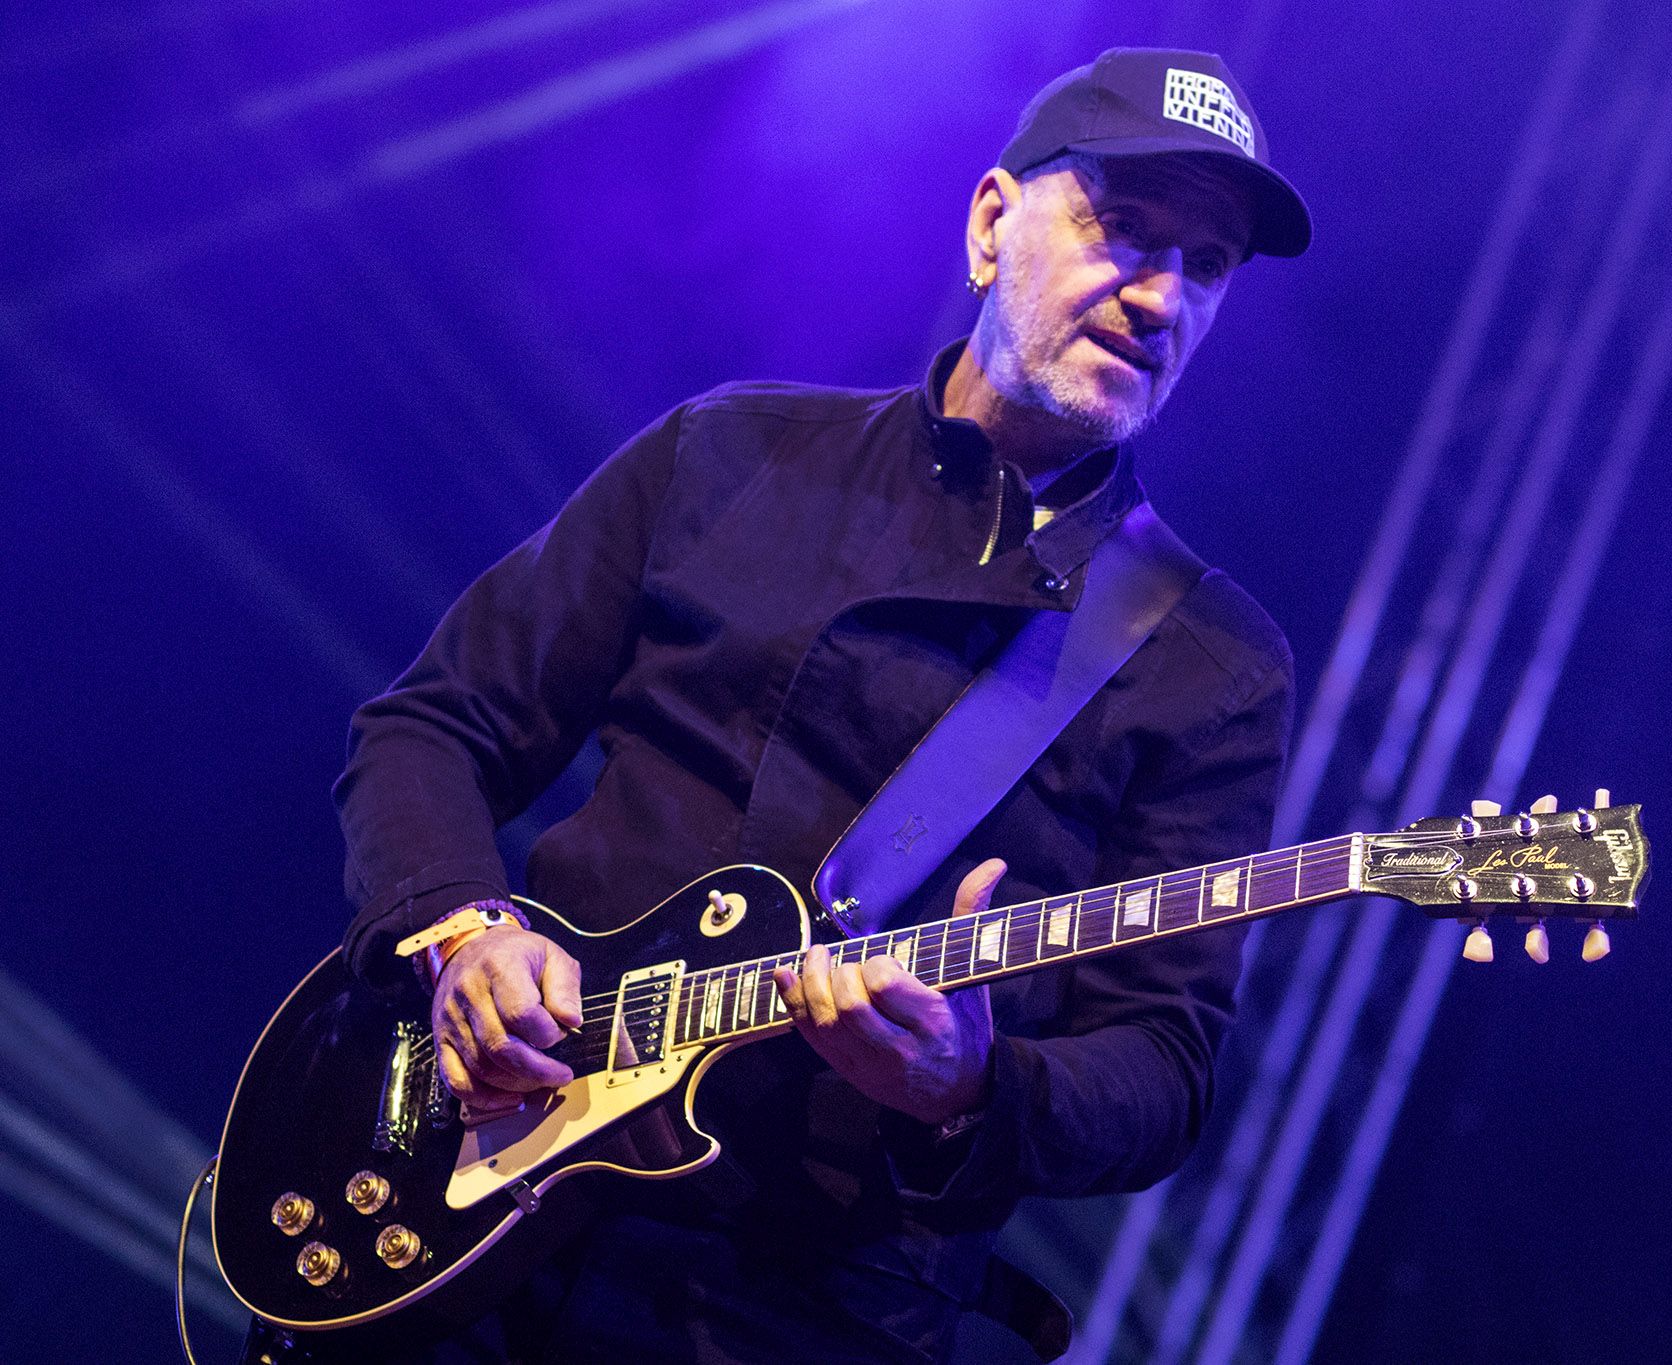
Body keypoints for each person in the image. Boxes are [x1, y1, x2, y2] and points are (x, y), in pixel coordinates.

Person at [319, 46, 1311, 1363]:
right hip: (480, 1209)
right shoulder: (731, 450)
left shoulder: (1211, 661)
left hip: (812, 1312)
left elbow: (1162, 1069)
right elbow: (434, 724)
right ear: (991, 222)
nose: (1161, 294)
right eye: (1123, 227)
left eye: (1208, 264)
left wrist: (974, 1083)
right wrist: (462, 930)